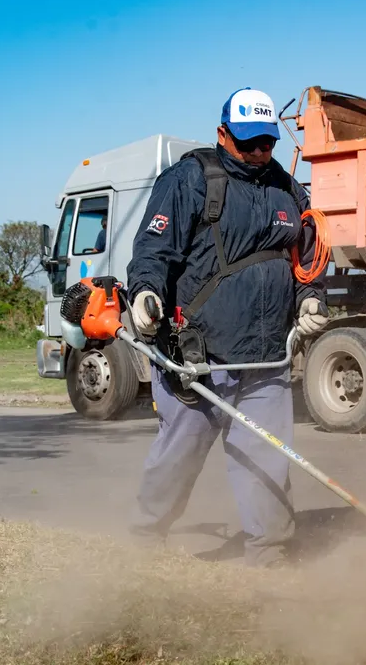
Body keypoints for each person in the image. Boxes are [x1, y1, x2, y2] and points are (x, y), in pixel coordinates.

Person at [123, 87, 329, 568]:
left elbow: (308, 258)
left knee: (266, 460)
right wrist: (146, 292)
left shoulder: (287, 189)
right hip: (198, 357)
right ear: (222, 133)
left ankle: (269, 558)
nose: (259, 151)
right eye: (248, 141)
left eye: (267, 142)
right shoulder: (190, 180)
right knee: (178, 456)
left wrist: (311, 298)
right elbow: (153, 250)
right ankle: (143, 542)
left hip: (266, 356)